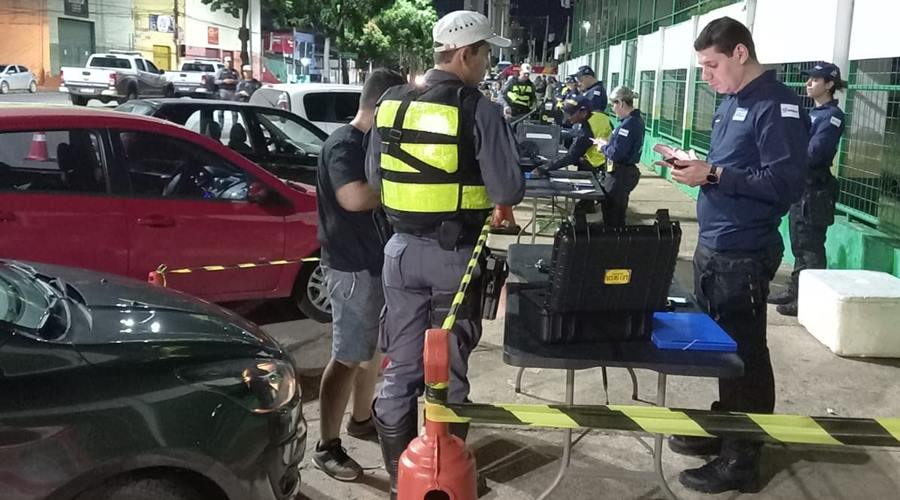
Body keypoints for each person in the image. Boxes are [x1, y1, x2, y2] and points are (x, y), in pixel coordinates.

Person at [366, 10, 524, 499]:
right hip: (453, 257)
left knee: (402, 365)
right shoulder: (477, 107)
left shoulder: (391, 103)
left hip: (398, 252)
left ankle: (403, 480)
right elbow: (509, 188)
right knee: (448, 368)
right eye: (485, 54)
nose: (487, 63)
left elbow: (375, 179)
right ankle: (445, 479)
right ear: (464, 53)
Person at [668, 17, 809, 494]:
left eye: (712, 65)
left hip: (744, 251)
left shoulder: (778, 106)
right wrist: (696, 169)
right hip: (716, 244)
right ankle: (729, 427)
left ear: (740, 54)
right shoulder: (733, 101)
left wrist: (712, 176)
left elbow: (785, 184)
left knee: (745, 353)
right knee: (724, 349)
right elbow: (731, 167)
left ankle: (741, 460)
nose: (706, 76)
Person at [312, 68, 407, 482]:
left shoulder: (372, 143)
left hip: (373, 262)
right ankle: (326, 446)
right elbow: (352, 197)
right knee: (348, 356)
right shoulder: (344, 145)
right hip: (350, 268)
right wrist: (406, 188)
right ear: (381, 104)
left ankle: (361, 419)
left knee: (370, 354)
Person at [768, 62, 845, 317]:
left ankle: (807, 300)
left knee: (811, 247)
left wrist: (789, 151)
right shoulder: (812, 114)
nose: (808, 83)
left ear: (830, 84)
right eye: (809, 79)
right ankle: (795, 290)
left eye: (815, 79)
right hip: (802, 188)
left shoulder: (832, 117)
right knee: (799, 243)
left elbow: (815, 153)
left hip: (815, 190)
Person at [535, 95, 612, 214]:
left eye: (571, 114)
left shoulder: (588, 130)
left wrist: (545, 167)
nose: (568, 118)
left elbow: (571, 156)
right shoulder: (600, 116)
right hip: (604, 161)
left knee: (582, 208)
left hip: (597, 166)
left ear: (583, 112)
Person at [595, 86, 645, 226]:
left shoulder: (628, 125)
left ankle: (613, 241)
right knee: (616, 211)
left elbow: (617, 154)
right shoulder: (633, 121)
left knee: (613, 212)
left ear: (621, 103)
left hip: (620, 174)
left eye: (613, 105)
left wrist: (603, 147)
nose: (613, 109)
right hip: (622, 172)